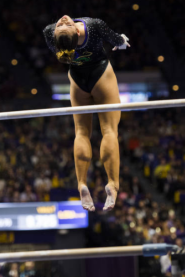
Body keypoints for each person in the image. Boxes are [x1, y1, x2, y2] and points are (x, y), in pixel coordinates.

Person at [43, 15, 130, 211]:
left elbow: (61, 48)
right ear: (77, 32)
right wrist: (122, 41)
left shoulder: (49, 33)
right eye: (64, 25)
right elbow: (117, 40)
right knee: (109, 131)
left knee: (81, 133)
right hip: (101, 76)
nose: (64, 20)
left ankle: (82, 183)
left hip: (77, 81)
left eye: (62, 24)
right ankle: (113, 185)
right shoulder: (94, 26)